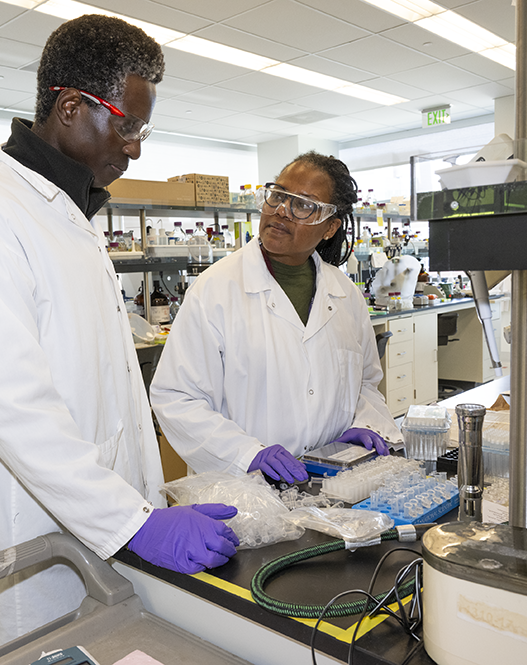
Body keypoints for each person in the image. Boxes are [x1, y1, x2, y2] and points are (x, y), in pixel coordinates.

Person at [0, 15, 238, 647]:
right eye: (126, 126)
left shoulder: (71, 215)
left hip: (110, 532)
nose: (135, 148)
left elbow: (108, 389)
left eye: (141, 129)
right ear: (69, 106)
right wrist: (133, 522)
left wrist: (148, 506)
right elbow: (17, 413)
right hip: (40, 560)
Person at [150, 151, 403, 485]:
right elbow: (177, 398)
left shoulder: (346, 295)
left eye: (302, 204)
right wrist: (246, 454)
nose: (281, 210)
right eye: (278, 196)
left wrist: (367, 423)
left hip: (333, 482)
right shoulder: (215, 289)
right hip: (245, 492)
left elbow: (366, 383)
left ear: (329, 227)